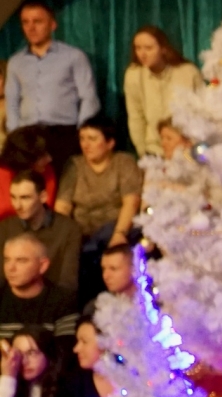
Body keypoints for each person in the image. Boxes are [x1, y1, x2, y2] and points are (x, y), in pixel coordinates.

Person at [57, 116, 143, 301]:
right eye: (82, 138)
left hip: (114, 229)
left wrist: (119, 233)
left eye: (92, 139)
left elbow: (131, 202)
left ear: (110, 143)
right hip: (81, 233)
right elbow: (62, 206)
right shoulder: (74, 165)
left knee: (100, 243)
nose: (85, 144)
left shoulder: (123, 162)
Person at [5, 1, 98, 171]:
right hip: (28, 136)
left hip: (63, 133)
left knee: (65, 181)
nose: (31, 28)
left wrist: (81, 131)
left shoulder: (73, 56)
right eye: (25, 22)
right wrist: (15, 133)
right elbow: (12, 99)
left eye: (37, 21)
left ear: (52, 24)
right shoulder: (16, 62)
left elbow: (88, 96)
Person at [123, 25, 202, 157]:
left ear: (163, 49)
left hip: (185, 148)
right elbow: (136, 116)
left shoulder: (188, 72)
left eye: (149, 48)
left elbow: (201, 112)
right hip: (153, 149)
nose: (142, 54)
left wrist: (192, 145)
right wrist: (142, 151)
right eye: (138, 48)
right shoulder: (133, 75)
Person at [0, 170, 80, 292]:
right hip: (11, 299)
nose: (17, 205)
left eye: (25, 198)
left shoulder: (68, 229)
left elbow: (68, 282)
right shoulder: (5, 228)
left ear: (43, 197)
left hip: (53, 299)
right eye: (13, 197)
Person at [0, 232, 79, 354]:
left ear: (42, 266)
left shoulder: (63, 301)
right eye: (7, 260)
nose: (10, 268)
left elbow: (64, 355)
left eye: (21, 261)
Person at [0, 125, 58, 217]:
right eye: (42, 156)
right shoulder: (3, 174)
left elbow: (46, 210)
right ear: (25, 160)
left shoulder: (46, 171)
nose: (49, 159)